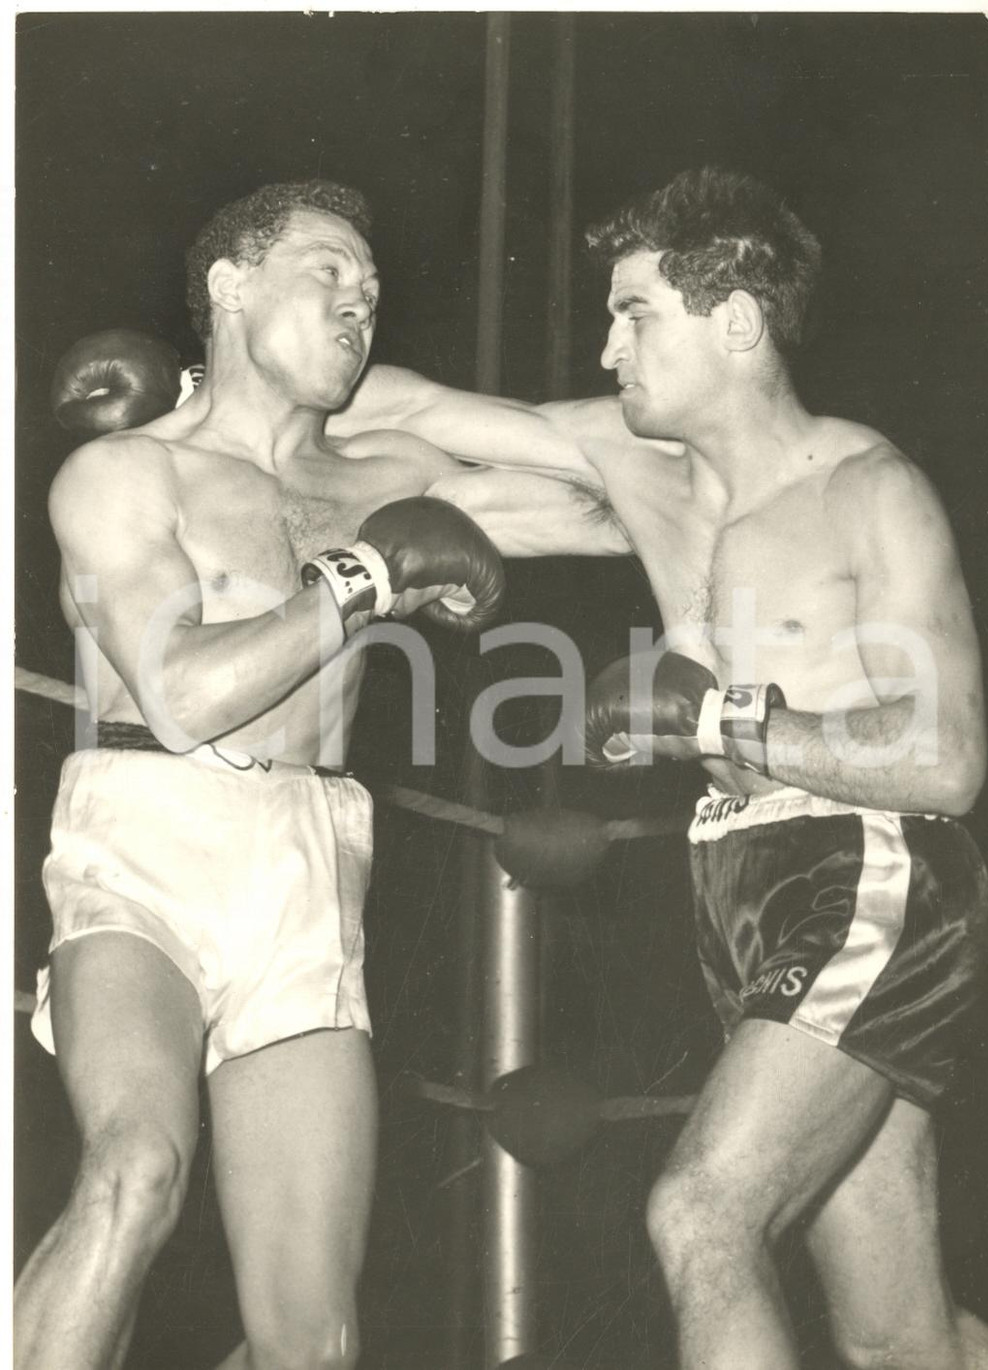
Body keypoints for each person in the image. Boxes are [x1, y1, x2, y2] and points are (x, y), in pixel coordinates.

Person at [322, 168, 988, 1370]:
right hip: (737, 885)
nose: (606, 344)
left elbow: (945, 760)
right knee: (898, 1334)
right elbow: (412, 408)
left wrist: (723, 720)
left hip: (866, 870)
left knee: (701, 1211)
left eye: (635, 314)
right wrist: (199, 397)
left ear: (735, 321)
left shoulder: (866, 490)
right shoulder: (632, 460)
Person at [15, 179, 633, 1370]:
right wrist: (363, 576)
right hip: (147, 831)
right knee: (136, 1169)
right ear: (228, 288)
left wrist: (448, 416)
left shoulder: (387, 474)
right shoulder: (125, 477)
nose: (361, 299)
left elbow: (609, 507)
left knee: (313, 1338)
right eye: (329, 271)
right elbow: (185, 696)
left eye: (374, 287)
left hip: (309, 854)